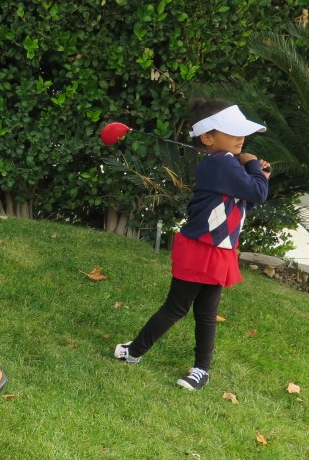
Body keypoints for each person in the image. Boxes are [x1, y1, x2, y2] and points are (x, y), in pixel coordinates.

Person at [114, 99, 271, 390]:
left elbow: (244, 200)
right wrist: (252, 164)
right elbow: (259, 193)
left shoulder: (225, 163)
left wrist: (256, 174)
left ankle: (197, 369)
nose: (241, 137)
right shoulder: (221, 163)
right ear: (207, 138)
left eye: (242, 132)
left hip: (218, 249)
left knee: (202, 312)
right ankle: (136, 352)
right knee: (178, 308)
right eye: (233, 132)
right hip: (201, 248)